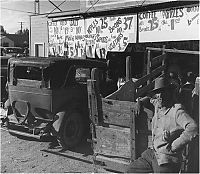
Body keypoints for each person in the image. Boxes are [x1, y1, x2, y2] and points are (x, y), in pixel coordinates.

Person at [127, 76, 198, 173]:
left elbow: (193, 128)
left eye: (163, 92)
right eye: (157, 93)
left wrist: (174, 146)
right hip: (152, 153)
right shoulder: (158, 106)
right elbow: (149, 99)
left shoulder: (176, 110)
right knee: (131, 170)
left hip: (166, 157)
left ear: (169, 93)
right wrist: (140, 102)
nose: (160, 96)